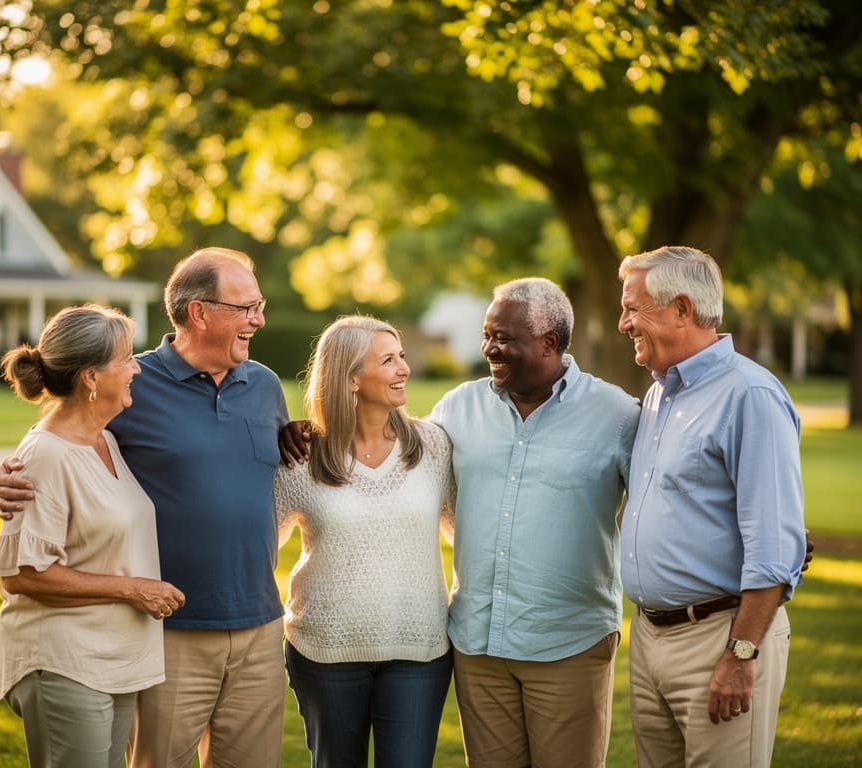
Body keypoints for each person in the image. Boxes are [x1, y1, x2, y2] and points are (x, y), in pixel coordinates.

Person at [0, 248, 290, 768]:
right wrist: (2, 478)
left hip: (260, 622)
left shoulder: (264, 386)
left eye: (258, 305)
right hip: (166, 629)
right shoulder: (131, 383)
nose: (259, 319)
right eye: (247, 307)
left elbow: (279, 468)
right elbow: (56, 445)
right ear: (200, 312)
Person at [431, 278, 639, 767]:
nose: (490, 349)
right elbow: (399, 468)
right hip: (477, 643)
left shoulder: (617, 414)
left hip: (569, 641)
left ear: (550, 342)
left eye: (505, 338)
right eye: (488, 335)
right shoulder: (458, 407)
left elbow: (667, 498)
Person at [616, 245, 806, 768]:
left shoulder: (750, 395)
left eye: (634, 308)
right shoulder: (659, 395)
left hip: (719, 640)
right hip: (650, 638)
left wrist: (741, 654)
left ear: (682, 309)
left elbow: (775, 543)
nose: (622, 322)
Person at [0, 304, 185, 768]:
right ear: (91, 378)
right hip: (64, 663)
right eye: (126, 359)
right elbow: (23, 577)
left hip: (110, 659)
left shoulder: (105, 439)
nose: (138, 367)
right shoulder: (45, 455)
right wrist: (133, 589)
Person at [275, 315, 455, 767]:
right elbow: (257, 548)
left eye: (402, 357)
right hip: (325, 651)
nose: (404, 369)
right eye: (389, 360)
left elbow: (464, 530)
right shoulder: (301, 456)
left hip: (418, 650)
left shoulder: (434, 447)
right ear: (351, 378)